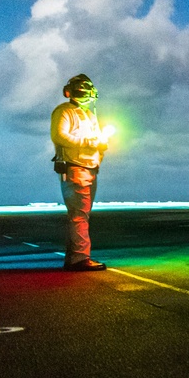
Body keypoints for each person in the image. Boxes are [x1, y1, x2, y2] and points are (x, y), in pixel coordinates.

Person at [51, 74, 111, 271]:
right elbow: (60, 136)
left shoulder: (89, 115)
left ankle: (74, 257)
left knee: (80, 215)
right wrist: (90, 143)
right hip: (76, 167)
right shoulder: (64, 111)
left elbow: (97, 140)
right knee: (79, 215)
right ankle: (80, 258)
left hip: (88, 168)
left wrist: (99, 148)